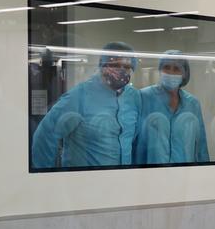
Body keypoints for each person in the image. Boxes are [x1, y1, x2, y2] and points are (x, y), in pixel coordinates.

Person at [31, 41, 141, 169]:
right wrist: (47, 179)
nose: (121, 70)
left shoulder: (134, 97)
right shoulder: (79, 96)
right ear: (102, 65)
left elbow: (133, 139)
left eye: (126, 67)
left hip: (122, 181)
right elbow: (44, 138)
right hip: (84, 183)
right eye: (115, 64)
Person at [135, 50, 209, 164]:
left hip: (185, 174)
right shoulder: (143, 97)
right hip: (149, 173)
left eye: (176, 69)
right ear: (160, 70)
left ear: (184, 73)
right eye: (166, 67)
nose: (171, 72)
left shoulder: (192, 104)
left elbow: (201, 146)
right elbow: (134, 141)